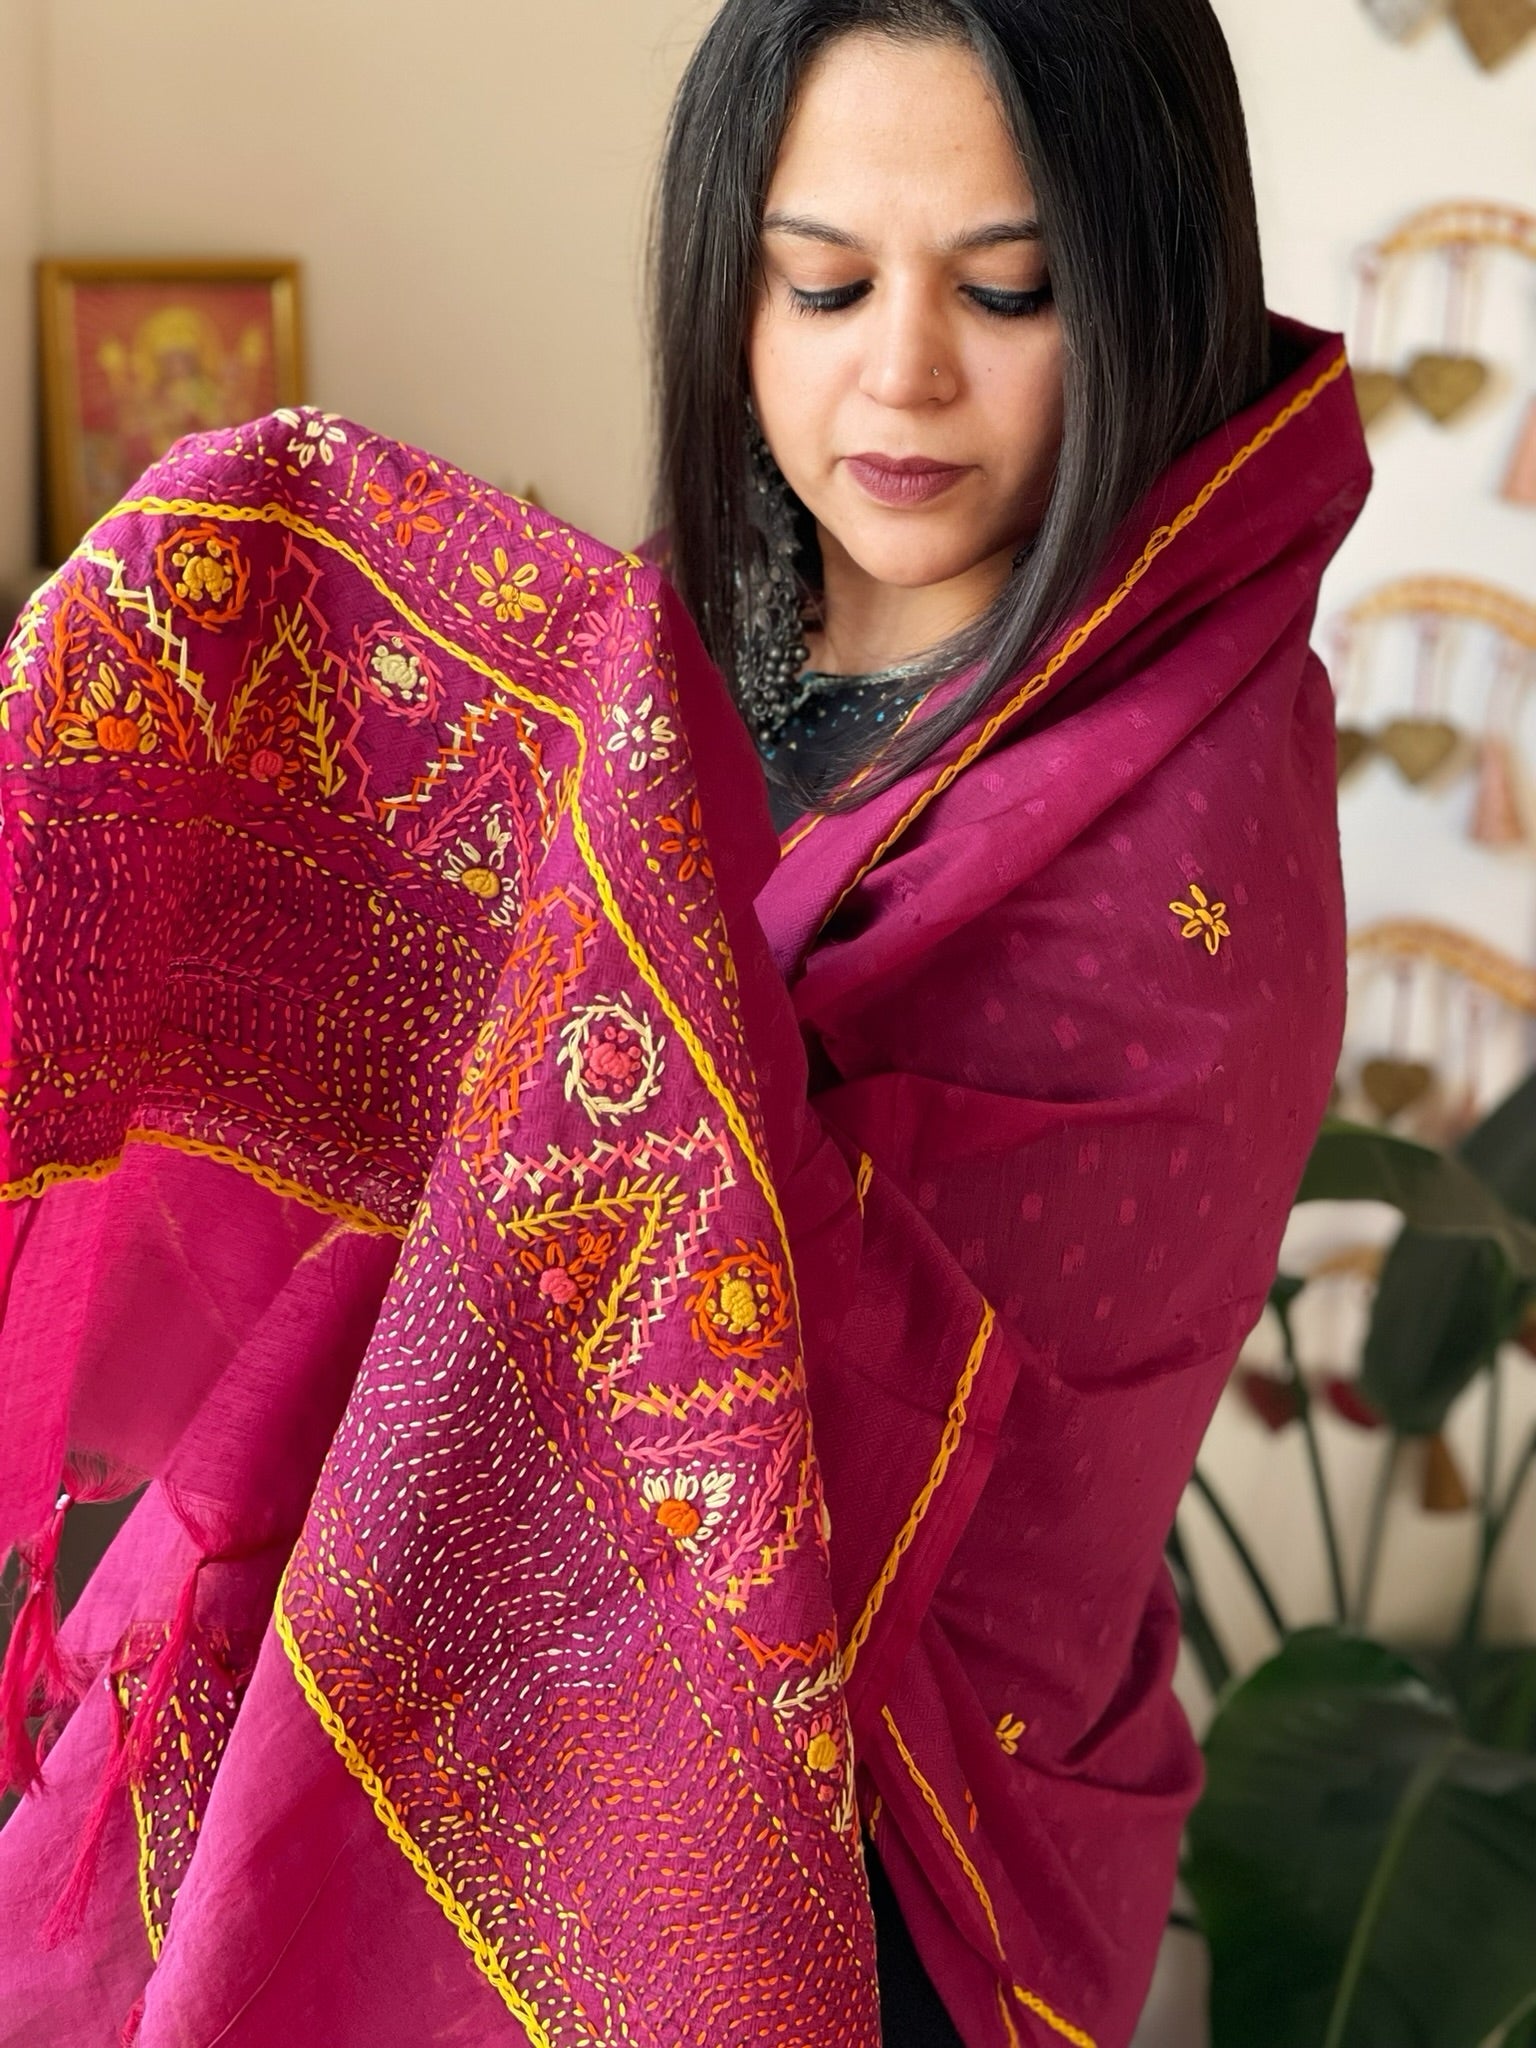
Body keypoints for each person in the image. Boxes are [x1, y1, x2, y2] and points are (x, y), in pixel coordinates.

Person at [0, 4, 1366, 2046]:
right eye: (819, 282)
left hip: (859, 1834)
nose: (896, 373)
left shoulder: (1182, 839)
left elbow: (807, 1361)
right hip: (495, 1663)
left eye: (1009, 290)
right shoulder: (705, 638)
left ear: (1152, 284)